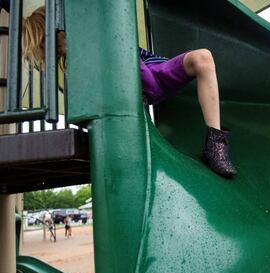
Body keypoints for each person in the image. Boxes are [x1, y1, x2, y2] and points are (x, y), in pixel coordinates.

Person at [21, 6, 237, 177]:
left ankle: (215, 143)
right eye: (58, 45)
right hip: (131, 90)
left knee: (203, 57)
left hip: (152, 72)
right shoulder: (77, 68)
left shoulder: (96, 35)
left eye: (62, 38)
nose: (65, 44)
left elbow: (148, 77)